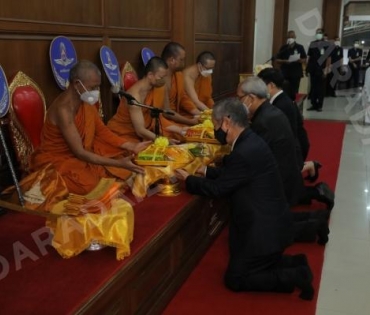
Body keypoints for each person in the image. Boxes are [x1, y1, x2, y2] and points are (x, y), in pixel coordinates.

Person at [175, 98, 314, 300]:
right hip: (272, 221)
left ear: (226, 122)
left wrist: (188, 179)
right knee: (250, 264)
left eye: (215, 125)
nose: (216, 131)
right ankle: (295, 263)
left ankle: (293, 276)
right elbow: (234, 175)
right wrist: (206, 170)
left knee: (235, 279)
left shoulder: (244, 151)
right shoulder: (249, 140)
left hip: (265, 229)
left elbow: (219, 189)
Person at [30, 60, 150, 195]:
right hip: (59, 159)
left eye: (97, 87)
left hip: (82, 154)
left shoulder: (84, 102)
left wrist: (130, 145)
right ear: (77, 84)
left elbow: (102, 131)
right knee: (90, 185)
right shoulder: (63, 109)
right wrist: (119, 163)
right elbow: (79, 152)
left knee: (116, 159)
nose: (96, 92)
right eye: (93, 88)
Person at [237, 77, 333, 245]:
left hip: (278, 182)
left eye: (239, 98)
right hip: (286, 173)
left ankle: (315, 225)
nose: (238, 102)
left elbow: (252, 156)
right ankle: (316, 218)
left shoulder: (263, 121)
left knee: (265, 229)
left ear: (251, 98)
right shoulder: (269, 111)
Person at [107, 56, 184, 143]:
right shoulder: (134, 96)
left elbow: (157, 119)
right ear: (150, 75)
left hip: (145, 131)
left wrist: (180, 130)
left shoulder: (155, 89)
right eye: (161, 77)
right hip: (124, 134)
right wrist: (164, 141)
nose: (163, 81)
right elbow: (140, 131)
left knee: (179, 135)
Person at [160, 42, 200, 125]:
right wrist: (189, 122)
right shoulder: (160, 79)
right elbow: (166, 112)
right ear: (171, 60)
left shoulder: (178, 75)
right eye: (181, 60)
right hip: (164, 121)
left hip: (177, 115)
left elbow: (183, 98)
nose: (184, 63)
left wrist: (197, 113)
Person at [275, 30, 307, 100]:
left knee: (294, 91)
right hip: (285, 73)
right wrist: (284, 61)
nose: (290, 38)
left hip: (296, 73)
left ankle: (294, 105)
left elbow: (304, 59)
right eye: (289, 37)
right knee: (284, 90)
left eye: (292, 37)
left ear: (295, 37)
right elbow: (277, 60)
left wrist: (300, 60)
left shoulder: (300, 47)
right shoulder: (284, 48)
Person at [306, 28, 332, 112]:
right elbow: (309, 57)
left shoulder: (327, 44)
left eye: (320, 33)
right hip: (313, 68)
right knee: (313, 87)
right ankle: (314, 104)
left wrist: (326, 69)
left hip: (322, 69)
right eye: (317, 33)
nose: (318, 34)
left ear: (323, 34)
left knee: (320, 88)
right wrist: (307, 68)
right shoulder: (312, 44)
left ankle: (320, 105)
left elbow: (329, 58)